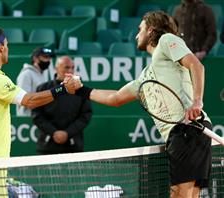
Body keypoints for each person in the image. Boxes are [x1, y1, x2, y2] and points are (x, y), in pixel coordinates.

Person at [72, 11, 212, 198]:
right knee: (188, 194)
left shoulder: (166, 40)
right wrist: (81, 89)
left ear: (151, 30)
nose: (136, 35)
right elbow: (115, 98)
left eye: (140, 29)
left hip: (188, 127)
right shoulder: (145, 77)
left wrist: (197, 101)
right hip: (180, 133)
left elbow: (196, 65)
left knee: (180, 193)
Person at [0, 27, 80, 197]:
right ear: (0, 48)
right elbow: (29, 100)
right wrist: (62, 89)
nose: (8, 48)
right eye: (7, 44)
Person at [32, 56, 92, 155]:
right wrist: (54, 133)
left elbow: (85, 115)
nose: (71, 71)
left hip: (74, 147)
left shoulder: (81, 90)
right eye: (67, 67)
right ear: (56, 68)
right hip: (47, 148)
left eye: (73, 67)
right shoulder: (42, 88)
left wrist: (67, 133)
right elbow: (37, 115)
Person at [16, 47, 54, 116]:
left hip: (38, 118)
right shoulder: (26, 74)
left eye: (49, 58)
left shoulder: (42, 75)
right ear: (35, 59)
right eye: (45, 57)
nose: (48, 60)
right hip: (26, 118)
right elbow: (24, 100)